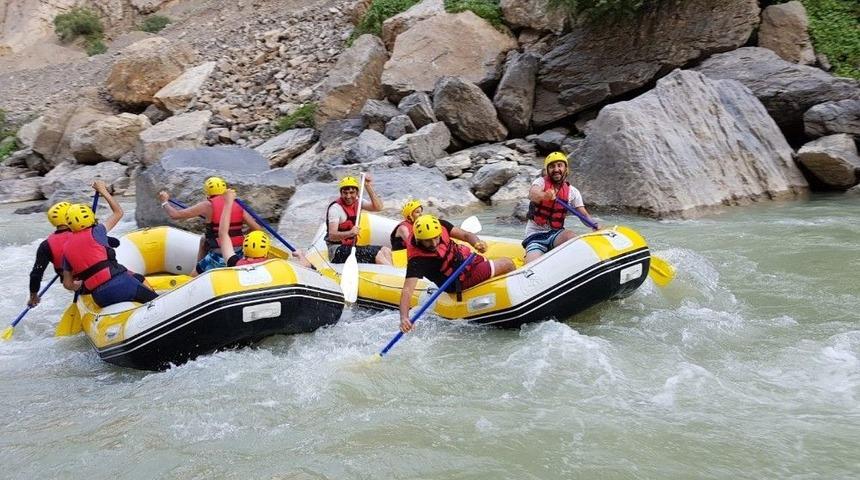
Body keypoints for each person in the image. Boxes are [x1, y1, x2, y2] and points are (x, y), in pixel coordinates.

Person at [399, 214, 515, 333]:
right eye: (428, 241)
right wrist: (404, 317)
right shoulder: (417, 260)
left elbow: (466, 235)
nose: (433, 244)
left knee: (494, 263)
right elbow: (407, 290)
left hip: (467, 261)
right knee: (507, 264)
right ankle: (513, 296)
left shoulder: (440, 225)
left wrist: (477, 243)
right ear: (419, 240)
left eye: (436, 238)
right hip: (458, 280)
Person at [61, 181, 158, 308]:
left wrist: (77, 285)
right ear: (90, 217)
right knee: (157, 302)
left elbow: (68, 284)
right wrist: (103, 191)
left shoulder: (66, 249)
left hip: (99, 297)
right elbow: (118, 212)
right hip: (122, 285)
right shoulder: (98, 230)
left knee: (138, 278)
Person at [158, 176, 263, 275]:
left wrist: (165, 202)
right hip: (239, 252)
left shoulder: (207, 205)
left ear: (207, 193)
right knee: (204, 239)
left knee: (191, 278)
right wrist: (241, 235)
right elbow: (257, 229)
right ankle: (200, 265)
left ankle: (199, 271)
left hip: (220, 253)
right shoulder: (237, 205)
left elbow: (175, 215)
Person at [523, 151, 599, 264]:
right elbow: (533, 194)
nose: (556, 169)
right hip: (535, 236)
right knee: (532, 264)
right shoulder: (540, 183)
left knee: (571, 236)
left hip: (556, 234)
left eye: (560, 165)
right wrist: (545, 196)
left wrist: (594, 225)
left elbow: (583, 215)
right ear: (547, 171)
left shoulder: (573, 192)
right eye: (552, 166)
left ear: (566, 169)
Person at [217, 189, 313, 268]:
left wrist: (228, 203)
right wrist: (300, 255)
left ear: (244, 249)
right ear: (267, 252)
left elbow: (223, 234)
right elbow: (306, 266)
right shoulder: (278, 267)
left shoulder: (234, 263)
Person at [325, 174, 392, 265]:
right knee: (378, 254)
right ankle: (390, 276)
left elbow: (378, 207)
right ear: (341, 193)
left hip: (351, 247)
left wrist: (367, 186)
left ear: (357, 193)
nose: (348, 196)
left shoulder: (359, 202)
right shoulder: (335, 209)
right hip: (336, 250)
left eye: (352, 192)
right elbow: (332, 236)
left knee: (385, 250)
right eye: (345, 193)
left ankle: (393, 274)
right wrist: (350, 233)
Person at [26, 202, 74, 307]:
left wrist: (33, 296)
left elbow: (36, 274)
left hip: (70, 283)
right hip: (90, 277)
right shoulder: (84, 233)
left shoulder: (45, 245)